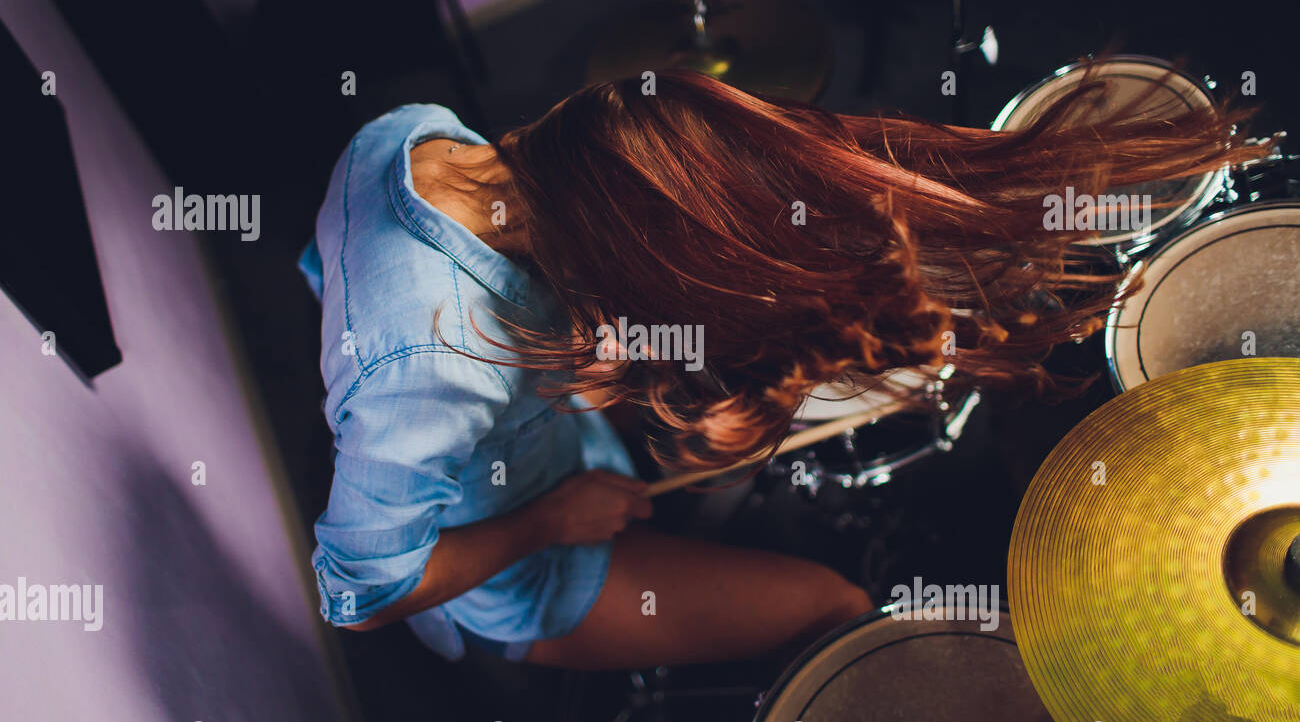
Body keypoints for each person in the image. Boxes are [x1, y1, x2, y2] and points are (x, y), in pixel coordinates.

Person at [297, 66, 1259, 670]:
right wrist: (555, 515)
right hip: (511, 568)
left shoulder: (406, 136)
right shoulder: (432, 364)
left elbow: (342, 286)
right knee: (839, 611)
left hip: (538, 434)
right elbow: (359, 595)